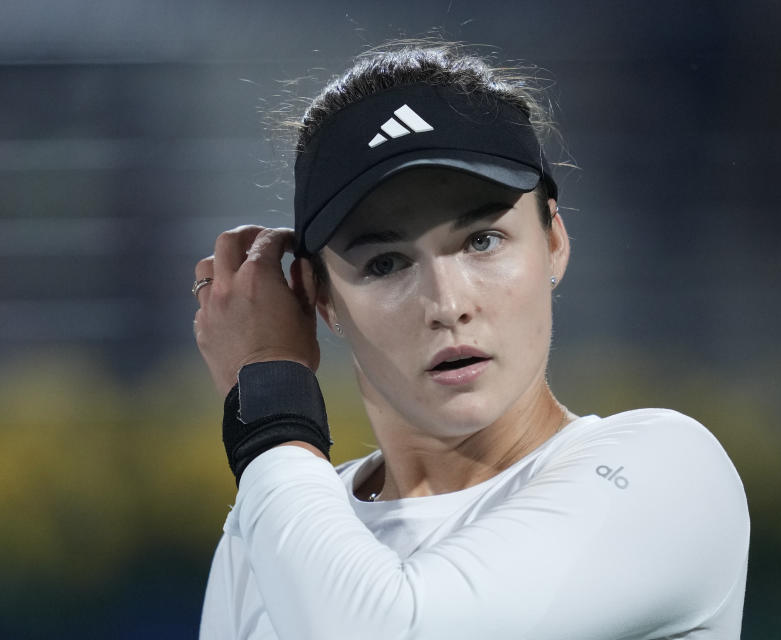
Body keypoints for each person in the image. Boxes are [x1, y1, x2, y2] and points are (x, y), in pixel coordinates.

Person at [191, 41, 750, 640]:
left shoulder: (668, 472)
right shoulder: (268, 520)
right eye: (384, 263)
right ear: (318, 298)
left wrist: (270, 397)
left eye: (483, 240)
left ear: (554, 240)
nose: (449, 305)